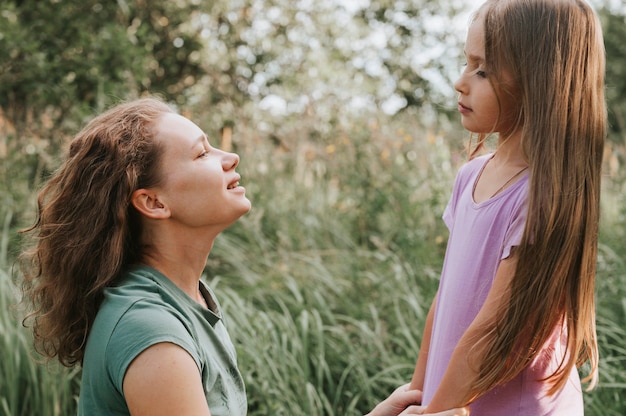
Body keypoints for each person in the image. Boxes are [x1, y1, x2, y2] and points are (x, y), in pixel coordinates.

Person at [19, 97, 467, 416]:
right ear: (153, 203)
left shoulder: (183, 300)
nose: (228, 156)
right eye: (202, 153)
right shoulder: (153, 332)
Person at [407, 0, 606, 414]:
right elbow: (444, 300)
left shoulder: (542, 197)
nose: (461, 82)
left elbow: (492, 330)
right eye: (467, 64)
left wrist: (432, 411)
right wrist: (419, 395)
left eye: (482, 70)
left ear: (538, 81)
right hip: (452, 405)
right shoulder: (470, 177)